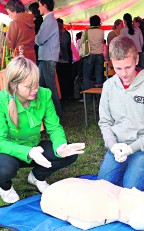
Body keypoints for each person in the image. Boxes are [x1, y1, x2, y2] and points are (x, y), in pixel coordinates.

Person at [0, 56, 85, 204]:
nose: (35, 90)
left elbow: (54, 127)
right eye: (28, 86)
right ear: (14, 85)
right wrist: (27, 152)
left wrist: (60, 146)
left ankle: (37, 177)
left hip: (34, 148)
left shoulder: (44, 94)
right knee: (4, 168)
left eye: (36, 84)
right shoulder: (2, 100)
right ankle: (5, 187)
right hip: (9, 152)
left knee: (69, 154)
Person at [97, 35, 144, 192]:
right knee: (103, 187)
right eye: (118, 68)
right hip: (119, 145)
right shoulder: (109, 86)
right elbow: (105, 122)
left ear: (136, 60)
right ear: (111, 62)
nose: (124, 74)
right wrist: (112, 146)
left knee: (132, 190)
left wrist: (132, 148)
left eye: (128, 67)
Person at [41, 177, 144, 230]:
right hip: (63, 185)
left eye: (136, 196)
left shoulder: (93, 212)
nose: (134, 189)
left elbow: (83, 222)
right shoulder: (118, 194)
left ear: (126, 217)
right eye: (140, 192)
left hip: (53, 193)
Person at [35, 0, 61, 117]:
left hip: (48, 57)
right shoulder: (48, 20)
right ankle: (49, 115)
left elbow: (39, 39)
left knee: (49, 87)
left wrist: (36, 38)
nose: (39, 8)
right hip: (46, 57)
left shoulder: (49, 20)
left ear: (45, 6)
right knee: (42, 86)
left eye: (39, 6)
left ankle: (56, 115)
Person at [79, 15, 104, 99]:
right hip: (100, 55)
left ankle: (88, 97)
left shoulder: (87, 32)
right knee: (99, 76)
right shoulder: (101, 31)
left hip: (89, 55)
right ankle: (99, 96)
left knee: (86, 76)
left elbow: (81, 43)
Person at [56, 18, 73, 101]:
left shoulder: (63, 34)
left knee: (63, 78)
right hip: (62, 59)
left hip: (62, 59)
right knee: (63, 78)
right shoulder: (65, 33)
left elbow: (67, 47)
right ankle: (64, 95)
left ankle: (65, 95)